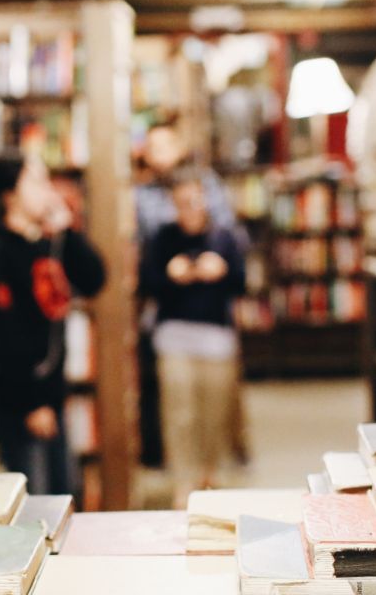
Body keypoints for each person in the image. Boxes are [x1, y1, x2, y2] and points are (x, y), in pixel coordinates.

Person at [0, 153, 107, 497]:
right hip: (20, 403)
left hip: (53, 397)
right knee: (36, 502)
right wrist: (32, 403)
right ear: (10, 195)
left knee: (66, 494)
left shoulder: (47, 243)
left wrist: (68, 228)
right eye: (36, 182)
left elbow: (94, 279)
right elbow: (5, 334)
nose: (48, 191)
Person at [139, 169, 246, 507]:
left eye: (195, 201)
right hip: (174, 337)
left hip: (216, 340)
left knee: (213, 414)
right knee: (179, 413)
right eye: (182, 202)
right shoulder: (162, 238)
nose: (189, 208)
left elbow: (241, 283)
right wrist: (173, 276)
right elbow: (148, 283)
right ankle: (184, 480)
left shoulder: (224, 237)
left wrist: (223, 270)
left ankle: (209, 474)